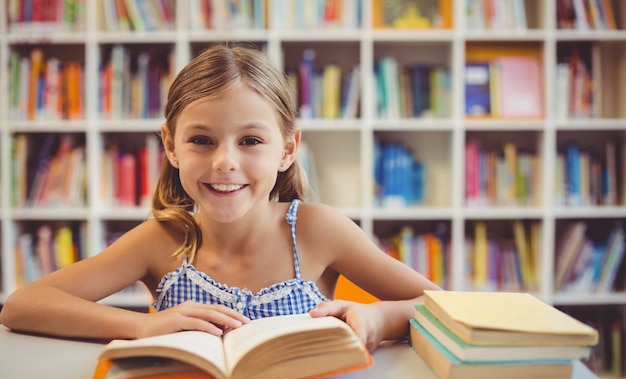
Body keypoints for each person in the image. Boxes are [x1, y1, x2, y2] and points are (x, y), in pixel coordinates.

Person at [0, 44, 441, 352]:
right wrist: (140, 325)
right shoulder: (161, 239)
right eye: (201, 140)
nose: (225, 162)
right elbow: (23, 305)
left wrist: (382, 319)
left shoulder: (317, 229)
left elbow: (443, 306)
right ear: (171, 146)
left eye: (250, 140)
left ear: (287, 149)